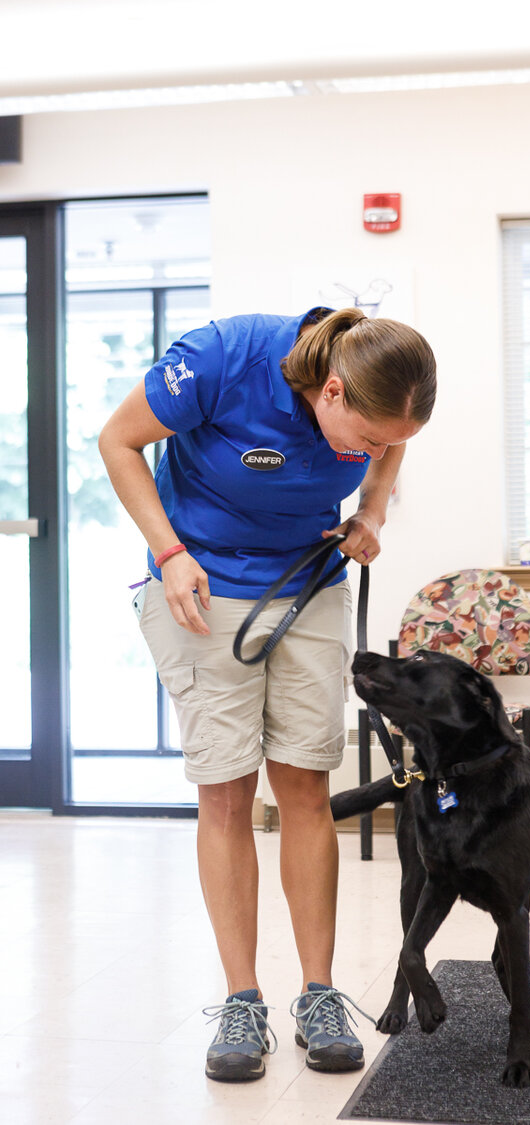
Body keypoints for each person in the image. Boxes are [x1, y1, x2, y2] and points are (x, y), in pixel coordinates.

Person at [98, 305, 437, 1082]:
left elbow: (389, 453)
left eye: (391, 443)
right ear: (333, 390)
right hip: (201, 585)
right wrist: (170, 550)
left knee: (306, 785)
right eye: (367, 436)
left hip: (308, 584)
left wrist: (373, 506)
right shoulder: (222, 357)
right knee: (225, 792)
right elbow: (117, 442)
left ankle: (318, 994)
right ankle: (242, 999)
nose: (375, 450)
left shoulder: (381, 402)